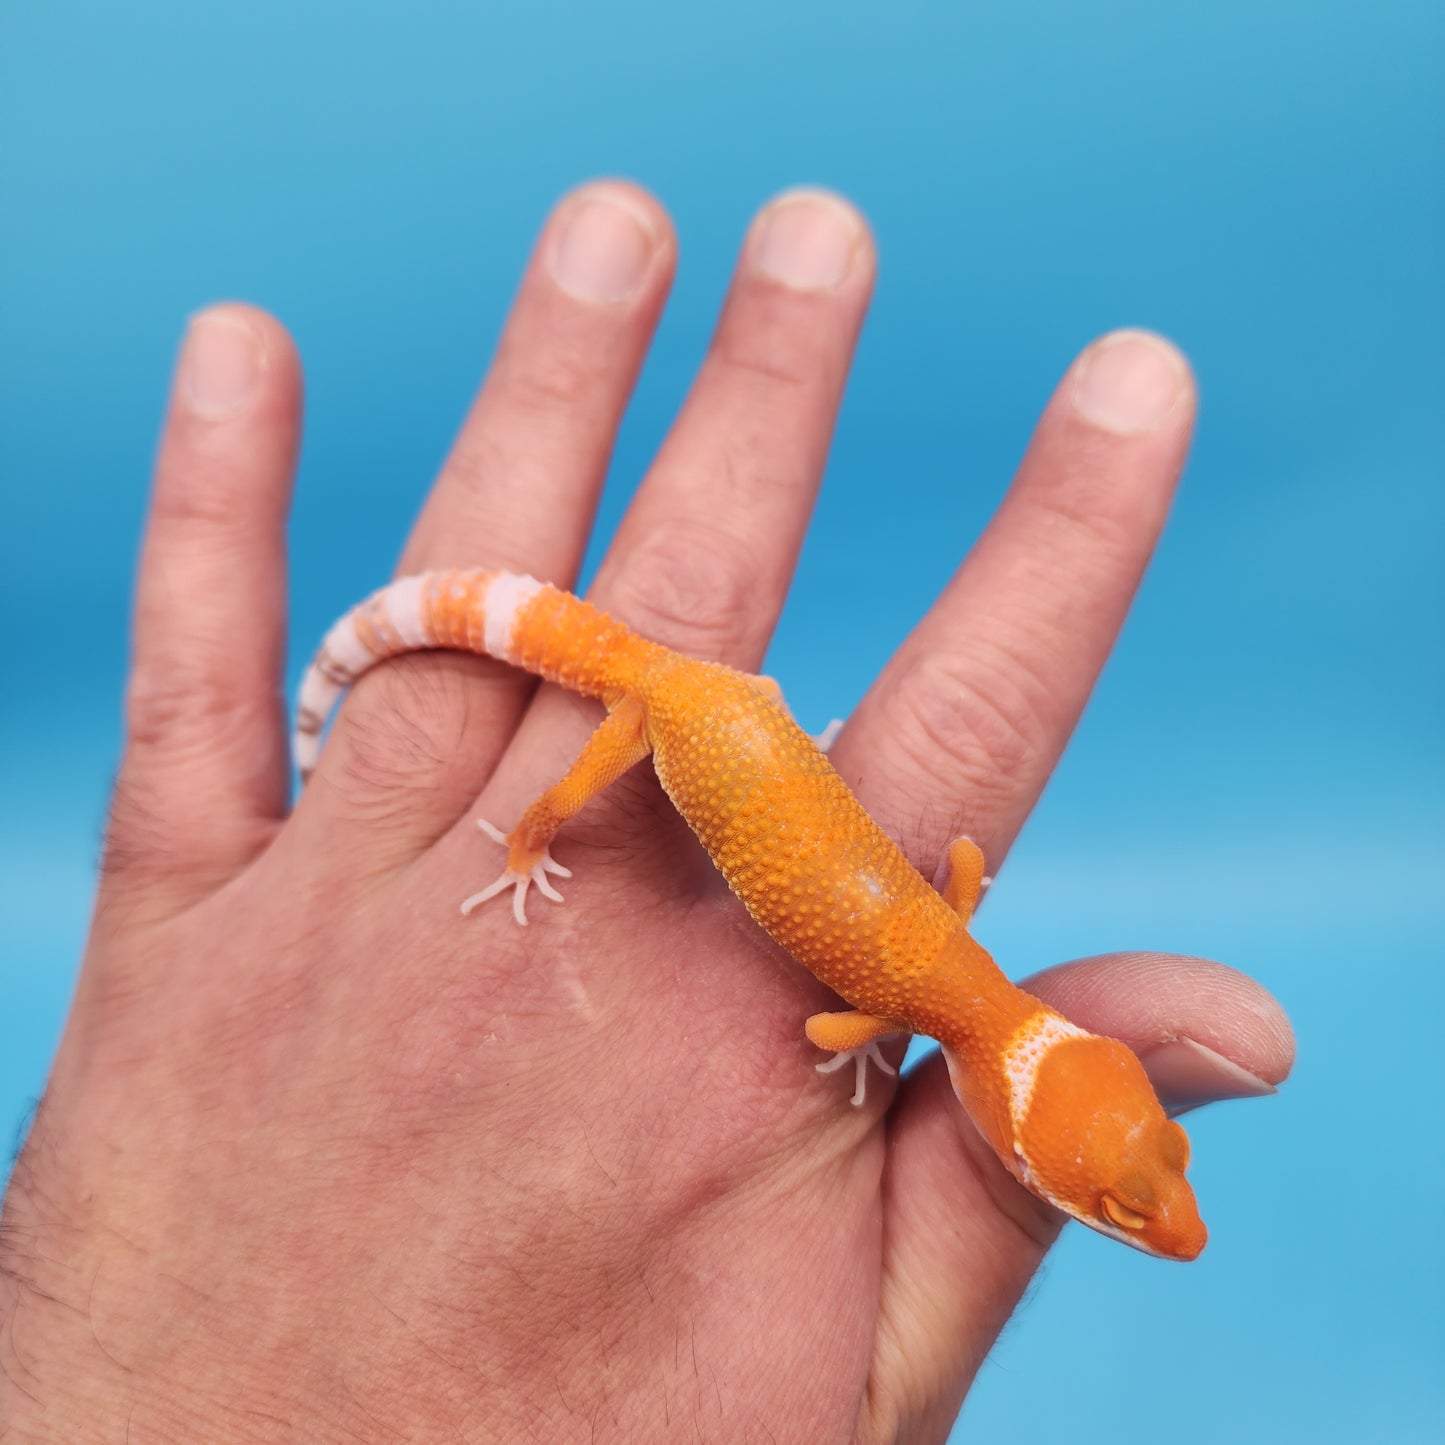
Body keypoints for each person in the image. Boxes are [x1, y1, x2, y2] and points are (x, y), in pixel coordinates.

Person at [0, 182, 1292, 1442]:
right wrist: (534, 834)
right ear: (1018, 1134)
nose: (1148, 1204)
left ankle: (409, 687)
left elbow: (947, 878)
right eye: (1123, 1199)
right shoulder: (923, 1011)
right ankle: (505, 810)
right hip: (657, 716)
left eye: (1130, 1192)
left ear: (1080, 1057)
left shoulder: (961, 976)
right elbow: (833, 1017)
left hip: (738, 714)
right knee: (574, 781)